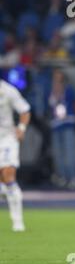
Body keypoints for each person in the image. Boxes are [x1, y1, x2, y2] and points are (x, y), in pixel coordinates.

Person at [0, 78, 31, 232]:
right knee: (3, 182)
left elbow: (25, 110)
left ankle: (17, 222)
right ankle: (4, 191)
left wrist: (22, 128)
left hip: (7, 138)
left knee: (8, 173)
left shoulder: (8, 90)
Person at [48, 69, 75, 189]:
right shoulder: (51, 91)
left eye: (59, 78)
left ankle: (73, 177)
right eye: (55, 78)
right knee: (58, 154)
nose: (57, 80)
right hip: (56, 125)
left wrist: (73, 115)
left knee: (70, 152)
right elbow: (50, 106)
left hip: (68, 123)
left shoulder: (69, 89)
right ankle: (62, 177)